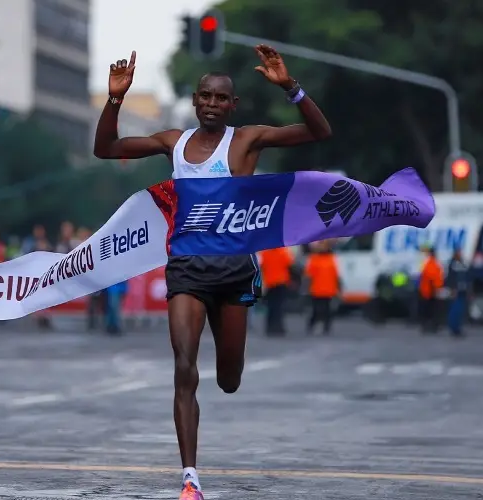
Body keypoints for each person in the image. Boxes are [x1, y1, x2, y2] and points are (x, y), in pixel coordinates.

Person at [93, 45, 332, 499]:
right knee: (184, 365)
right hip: (186, 268)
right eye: (204, 96)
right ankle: (190, 479)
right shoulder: (173, 143)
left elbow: (319, 132)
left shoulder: (246, 141)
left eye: (220, 98)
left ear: (232, 105)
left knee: (228, 378)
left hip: (234, 272)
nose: (211, 104)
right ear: (194, 100)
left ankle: (226, 378)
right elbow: (104, 148)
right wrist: (116, 98)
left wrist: (290, 88)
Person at [304, 240, 340, 335]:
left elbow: (335, 275)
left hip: (329, 290)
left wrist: (338, 288)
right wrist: (306, 288)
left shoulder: (332, 258)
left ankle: (326, 327)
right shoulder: (314, 259)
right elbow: (309, 275)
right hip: (316, 290)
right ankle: (311, 325)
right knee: (316, 310)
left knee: (327, 310)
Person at [445, 248, 469, 337]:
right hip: (455, 291)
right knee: (455, 310)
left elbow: (467, 277)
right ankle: (453, 328)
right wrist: (452, 289)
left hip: (462, 291)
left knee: (460, 311)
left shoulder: (462, 264)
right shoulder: (452, 264)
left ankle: (458, 328)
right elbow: (450, 278)